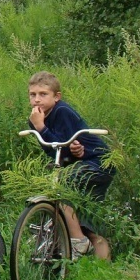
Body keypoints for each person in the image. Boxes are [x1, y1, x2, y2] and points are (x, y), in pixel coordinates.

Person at [27, 71, 113, 260]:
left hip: (97, 163)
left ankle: (78, 242)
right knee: (86, 224)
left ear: (56, 97)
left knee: (61, 188)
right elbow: (54, 151)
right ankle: (98, 270)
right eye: (33, 95)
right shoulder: (36, 119)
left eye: (43, 94)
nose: (37, 100)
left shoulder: (61, 111)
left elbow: (65, 147)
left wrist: (41, 128)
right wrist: (39, 127)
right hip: (81, 166)